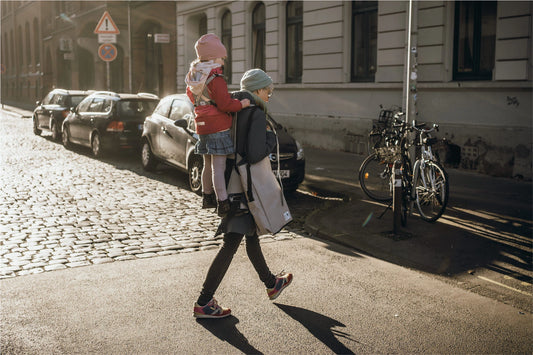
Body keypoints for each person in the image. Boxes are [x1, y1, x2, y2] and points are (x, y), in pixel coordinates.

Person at [193, 69, 293, 319]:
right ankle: (204, 302)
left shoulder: (232, 109)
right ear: (257, 90)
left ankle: (272, 284)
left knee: (250, 236)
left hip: (230, 184)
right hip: (244, 188)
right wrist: (271, 139)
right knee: (231, 243)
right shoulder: (256, 114)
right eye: (267, 89)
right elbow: (255, 153)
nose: (269, 94)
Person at [185, 33, 250, 217]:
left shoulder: (195, 76)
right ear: (213, 57)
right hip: (217, 125)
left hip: (202, 125)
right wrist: (241, 104)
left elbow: (192, 98)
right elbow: (224, 104)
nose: (223, 61)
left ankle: (207, 196)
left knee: (207, 163)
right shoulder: (216, 78)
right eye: (222, 58)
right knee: (218, 167)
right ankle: (223, 201)